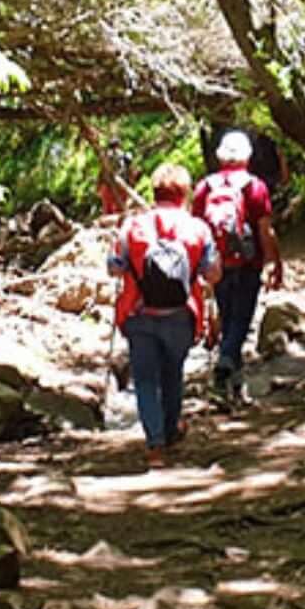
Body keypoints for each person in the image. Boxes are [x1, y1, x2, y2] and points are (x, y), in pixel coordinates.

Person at [108, 161, 220, 467]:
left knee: (144, 380)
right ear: (184, 193)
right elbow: (212, 273)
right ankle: (170, 430)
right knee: (173, 373)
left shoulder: (131, 226)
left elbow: (114, 267)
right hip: (182, 314)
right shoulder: (198, 228)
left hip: (139, 313)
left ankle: (155, 444)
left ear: (154, 192)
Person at [192, 131, 284, 398]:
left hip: (217, 262)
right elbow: (265, 230)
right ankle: (225, 364)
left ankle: (234, 388)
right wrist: (274, 263)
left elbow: (196, 230)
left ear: (220, 157)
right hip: (248, 262)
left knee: (229, 318)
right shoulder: (254, 187)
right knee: (240, 321)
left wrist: (200, 268)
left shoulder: (204, 187)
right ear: (247, 157)